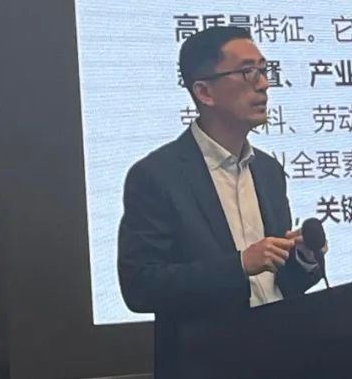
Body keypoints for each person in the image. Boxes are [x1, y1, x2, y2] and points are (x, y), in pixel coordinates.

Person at [118, 26, 320, 378]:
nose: (263, 84)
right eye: (247, 72)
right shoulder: (157, 176)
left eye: (264, 70)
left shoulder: (268, 171)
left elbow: (276, 285)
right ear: (204, 92)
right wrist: (239, 265)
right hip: (209, 364)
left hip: (282, 357)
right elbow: (141, 286)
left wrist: (303, 258)